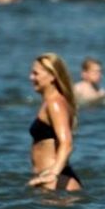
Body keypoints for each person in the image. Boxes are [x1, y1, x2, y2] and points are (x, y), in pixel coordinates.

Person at [28, 53, 81, 190]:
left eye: (36, 74)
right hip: (49, 180)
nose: (31, 78)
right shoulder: (49, 103)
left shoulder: (55, 103)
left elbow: (67, 143)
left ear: (52, 76)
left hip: (56, 181)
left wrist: (53, 174)